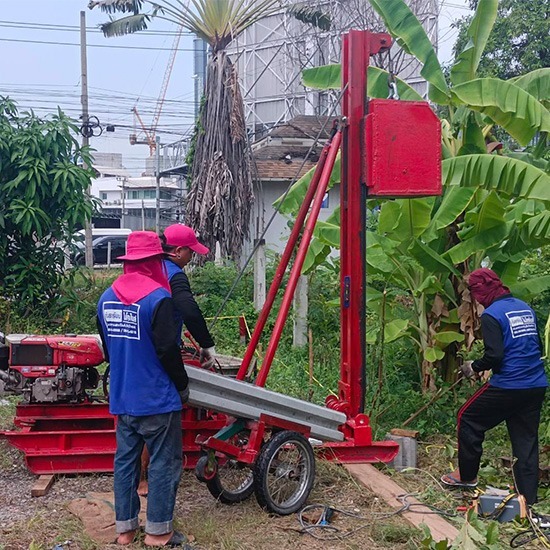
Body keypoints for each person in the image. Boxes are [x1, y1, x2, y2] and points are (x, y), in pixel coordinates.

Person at [97, 231, 192, 548]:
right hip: (157, 399)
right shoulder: (157, 300)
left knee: (125, 462)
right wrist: (181, 386)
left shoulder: (106, 298)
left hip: (123, 397)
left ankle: (125, 530)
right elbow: (168, 351)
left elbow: (109, 350)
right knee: (164, 463)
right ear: (155, 261)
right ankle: (158, 532)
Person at [442, 268, 548, 509]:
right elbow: (535, 345)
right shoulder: (524, 308)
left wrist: (474, 366)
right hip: (535, 385)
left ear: (484, 290)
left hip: (509, 385)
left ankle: (467, 477)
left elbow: (495, 355)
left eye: (476, 293)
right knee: (526, 442)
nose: (477, 299)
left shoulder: (492, 314)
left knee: (467, 417)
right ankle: (527, 499)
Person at [137, 223, 215, 498]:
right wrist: (207, 344)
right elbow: (189, 311)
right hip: (160, 352)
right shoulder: (175, 275)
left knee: (136, 416)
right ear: (179, 251)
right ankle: (146, 479)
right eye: (191, 252)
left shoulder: (147, 269)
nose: (192, 257)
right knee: (156, 416)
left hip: (135, 348)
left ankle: (137, 475)